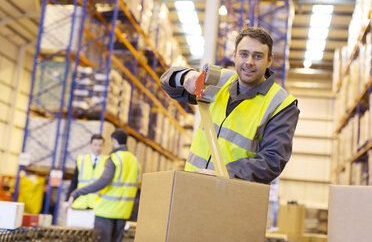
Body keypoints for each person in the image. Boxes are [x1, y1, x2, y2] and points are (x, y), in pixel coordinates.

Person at [160, 27, 299, 184]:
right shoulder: (218, 80)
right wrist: (184, 76)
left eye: (258, 56)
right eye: (244, 54)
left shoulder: (281, 104)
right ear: (234, 55)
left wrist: (223, 173)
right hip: (191, 184)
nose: (249, 62)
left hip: (231, 194)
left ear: (269, 60)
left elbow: (272, 160)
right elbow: (167, 83)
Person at [67, 129, 140, 242]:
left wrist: (77, 192)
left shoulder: (114, 159)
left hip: (106, 211)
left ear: (114, 141)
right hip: (123, 212)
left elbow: (102, 182)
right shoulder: (135, 161)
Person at [64, 134, 107, 210]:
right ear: (90, 145)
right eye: (95, 145)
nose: (98, 148)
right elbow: (74, 182)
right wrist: (67, 200)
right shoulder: (82, 160)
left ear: (103, 146)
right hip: (80, 203)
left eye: (100, 145)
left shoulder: (107, 162)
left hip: (97, 205)